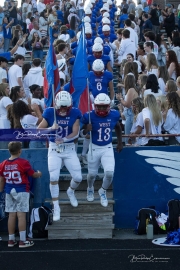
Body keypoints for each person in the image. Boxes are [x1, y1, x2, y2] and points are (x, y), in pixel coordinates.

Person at [38, 91, 82, 221]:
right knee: (53, 176)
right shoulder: (49, 112)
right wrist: (51, 128)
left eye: (65, 108)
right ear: (56, 104)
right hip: (54, 149)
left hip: (68, 148)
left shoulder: (75, 112)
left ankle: (70, 191)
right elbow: (38, 131)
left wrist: (64, 139)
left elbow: (75, 132)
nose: (63, 110)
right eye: (61, 107)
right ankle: (56, 206)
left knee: (78, 177)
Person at [81, 93, 123, 207]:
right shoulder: (89, 116)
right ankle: (90, 188)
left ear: (109, 106)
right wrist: (86, 129)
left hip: (107, 147)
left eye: (104, 106)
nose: (101, 108)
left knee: (109, 173)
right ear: (95, 105)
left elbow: (118, 127)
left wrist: (120, 142)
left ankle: (102, 190)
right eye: (99, 106)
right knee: (91, 175)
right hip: (94, 147)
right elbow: (81, 133)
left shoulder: (114, 114)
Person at [0, 141, 42, 248]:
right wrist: (39, 173)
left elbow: (1, 180)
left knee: (11, 215)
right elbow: (33, 175)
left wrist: (1, 191)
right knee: (21, 215)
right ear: (20, 151)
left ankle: (11, 239)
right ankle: (22, 240)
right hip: (21, 190)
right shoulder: (23, 162)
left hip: (9, 191)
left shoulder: (3, 164)